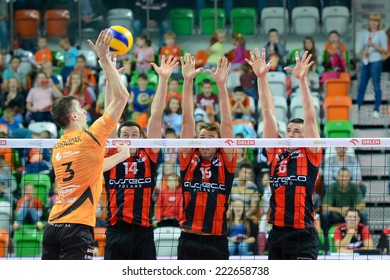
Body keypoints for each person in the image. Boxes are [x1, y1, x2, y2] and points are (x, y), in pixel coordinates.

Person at [41, 29, 130, 260]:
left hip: (53, 226)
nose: (84, 110)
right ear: (73, 116)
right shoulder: (90, 138)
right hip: (77, 228)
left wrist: (121, 156)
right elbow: (121, 99)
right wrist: (104, 63)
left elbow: (93, 167)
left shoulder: (59, 147)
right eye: (80, 108)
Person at [247, 48, 322, 260]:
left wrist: (302, 80)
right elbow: (268, 113)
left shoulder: (310, 152)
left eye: (297, 131)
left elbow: (310, 115)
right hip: (277, 231)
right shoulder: (276, 150)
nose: (291, 134)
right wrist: (261, 78)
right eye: (288, 130)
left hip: (303, 232)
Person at [102, 55, 178, 260]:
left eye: (134, 135)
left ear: (142, 138)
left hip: (143, 231)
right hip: (116, 230)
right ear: (118, 138)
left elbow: (156, 116)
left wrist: (163, 80)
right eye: (125, 135)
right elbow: (109, 116)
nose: (130, 139)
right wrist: (110, 79)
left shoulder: (149, 154)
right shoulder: (112, 152)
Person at [178, 54, 237, 260]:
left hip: (216, 238)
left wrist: (221, 85)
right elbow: (187, 120)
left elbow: (227, 124)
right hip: (188, 238)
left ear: (219, 142)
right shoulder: (189, 156)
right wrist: (187, 82)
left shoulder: (225, 160)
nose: (205, 141)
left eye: (211, 138)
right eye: (202, 137)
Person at [320, 167, 368, 254]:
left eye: (347, 176)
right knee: (324, 214)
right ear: (338, 177)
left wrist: (349, 210)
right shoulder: (332, 187)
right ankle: (326, 242)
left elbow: (362, 205)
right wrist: (340, 210)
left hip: (350, 215)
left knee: (363, 214)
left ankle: (363, 236)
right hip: (336, 215)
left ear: (350, 177)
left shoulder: (354, 187)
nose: (344, 178)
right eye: (342, 176)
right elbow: (324, 206)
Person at [356, 13, 387, 118]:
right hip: (366, 61)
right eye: (372, 20)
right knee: (362, 85)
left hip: (376, 61)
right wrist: (363, 52)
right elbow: (360, 47)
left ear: (378, 23)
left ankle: (376, 109)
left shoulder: (381, 33)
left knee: (376, 86)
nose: (373, 23)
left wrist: (374, 45)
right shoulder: (365, 33)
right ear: (369, 22)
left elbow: (384, 49)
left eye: (376, 21)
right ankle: (357, 106)